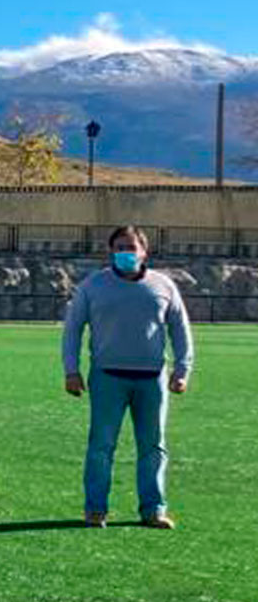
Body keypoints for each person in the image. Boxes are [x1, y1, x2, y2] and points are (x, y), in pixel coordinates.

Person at [62, 225, 192, 529]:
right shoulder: (93, 286)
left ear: (144, 251)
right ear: (110, 252)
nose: (126, 253)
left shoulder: (163, 286)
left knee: (153, 446)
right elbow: (72, 329)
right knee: (101, 446)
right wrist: (71, 369)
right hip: (107, 378)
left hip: (152, 379)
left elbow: (180, 329)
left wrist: (183, 369)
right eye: (120, 247)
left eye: (131, 247)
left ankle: (153, 509)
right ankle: (96, 509)